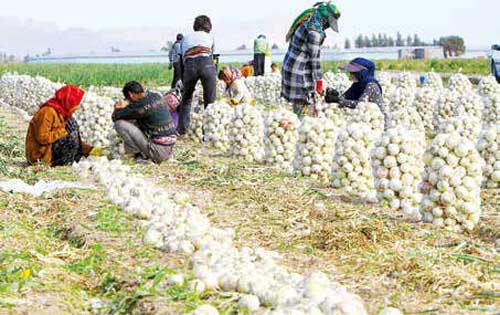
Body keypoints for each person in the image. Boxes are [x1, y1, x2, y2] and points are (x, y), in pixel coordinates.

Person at [281, 2, 341, 118]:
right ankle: (301, 131)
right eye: (329, 23)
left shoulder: (308, 18)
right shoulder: (314, 33)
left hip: (290, 67)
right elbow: (315, 60)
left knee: (298, 107)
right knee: (305, 110)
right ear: (325, 19)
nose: (328, 26)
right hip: (299, 73)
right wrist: (319, 82)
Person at [26, 85, 93, 166]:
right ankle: (62, 163)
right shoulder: (47, 112)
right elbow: (42, 137)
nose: (77, 107)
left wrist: (89, 150)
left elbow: (74, 137)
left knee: (72, 124)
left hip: (51, 148)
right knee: (69, 137)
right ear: (69, 102)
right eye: (76, 104)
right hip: (40, 155)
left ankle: (72, 158)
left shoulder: (63, 113)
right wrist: (62, 132)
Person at [112, 81, 176, 164]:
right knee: (134, 120)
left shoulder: (140, 107)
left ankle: (138, 155)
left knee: (120, 124)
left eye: (128, 98)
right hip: (168, 149)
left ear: (131, 95)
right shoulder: (156, 96)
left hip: (157, 152)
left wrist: (117, 108)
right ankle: (142, 151)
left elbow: (115, 117)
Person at [177, 15, 217, 135]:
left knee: (187, 98)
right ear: (208, 26)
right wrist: (213, 75)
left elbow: (181, 59)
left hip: (190, 66)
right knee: (210, 100)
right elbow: (214, 57)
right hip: (207, 65)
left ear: (195, 26)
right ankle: (208, 132)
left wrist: (182, 78)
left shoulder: (185, 38)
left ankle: (182, 130)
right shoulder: (210, 37)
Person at [325, 57, 387, 126]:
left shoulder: (371, 85)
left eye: (352, 73)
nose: (350, 75)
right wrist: (335, 95)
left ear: (361, 73)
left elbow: (360, 104)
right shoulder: (357, 84)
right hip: (362, 119)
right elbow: (346, 96)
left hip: (376, 122)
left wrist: (338, 100)